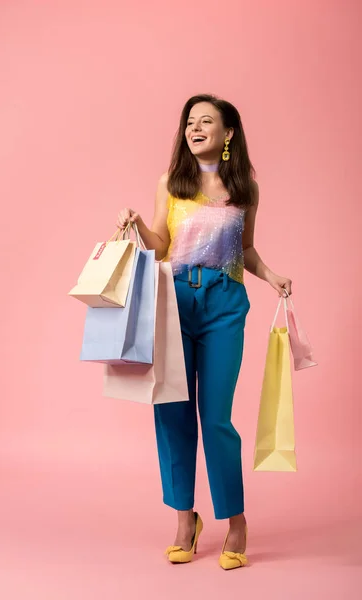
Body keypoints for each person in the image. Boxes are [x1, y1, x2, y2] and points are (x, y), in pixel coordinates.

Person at [116, 94, 292, 569]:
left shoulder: (244, 188)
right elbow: (160, 241)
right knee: (172, 412)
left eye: (206, 121)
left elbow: (246, 248)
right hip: (175, 302)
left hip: (224, 304)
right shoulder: (171, 183)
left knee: (216, 417)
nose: (195, 128)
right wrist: (136, 226)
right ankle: (184, 518)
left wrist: (271, 274)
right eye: (190, 122)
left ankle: (234, 521)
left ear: (228, 132)